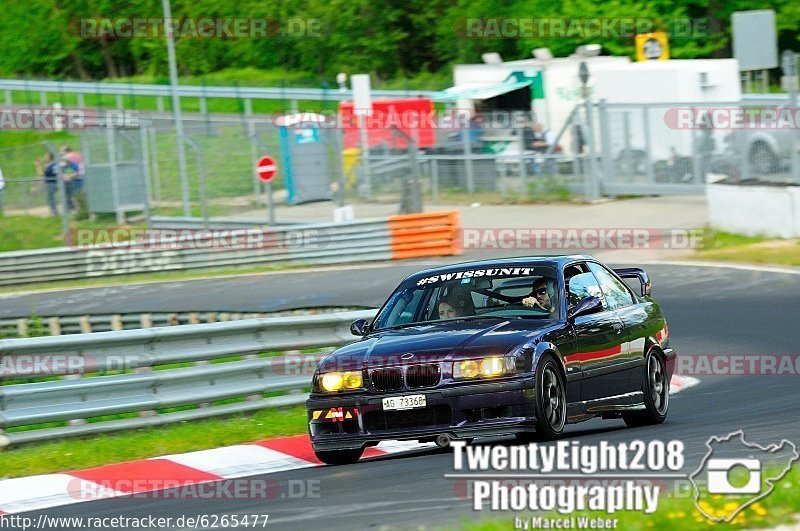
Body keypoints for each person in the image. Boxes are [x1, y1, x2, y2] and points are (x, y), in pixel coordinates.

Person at [35, 152, 60, 216]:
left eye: (46, 156)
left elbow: (41, 174)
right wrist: (41, 162)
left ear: (50, 158)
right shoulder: (53, 164)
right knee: (50, 197)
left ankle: (54, 211)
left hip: (51, 183)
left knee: (50, 197)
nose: (44, 157)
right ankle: (54, 211)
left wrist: (38, 166)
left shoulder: (51, 166)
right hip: (54, 183)